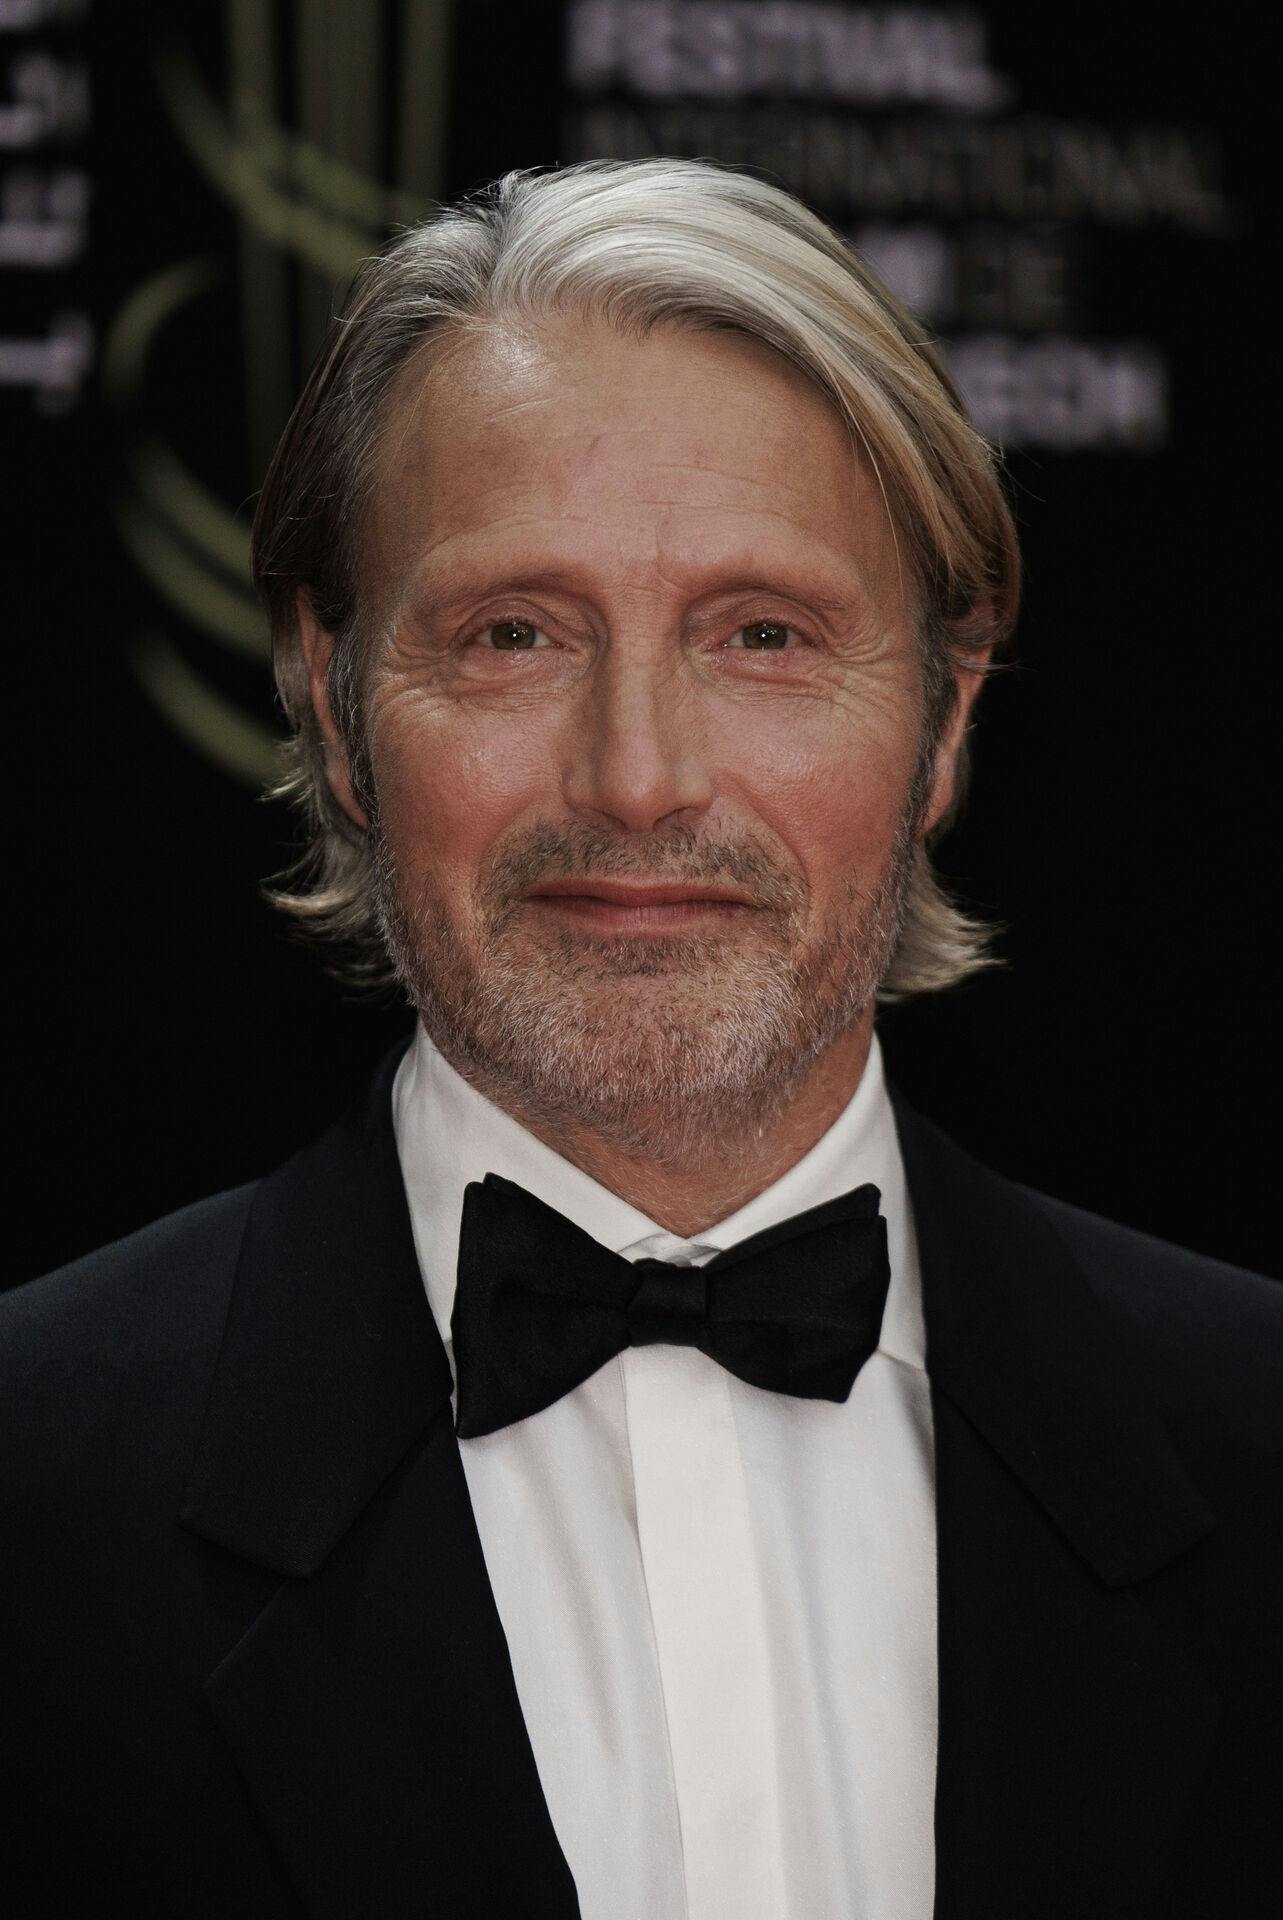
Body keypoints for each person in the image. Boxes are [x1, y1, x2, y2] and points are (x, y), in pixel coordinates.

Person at [2, 160, 1278, 1920]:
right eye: (512, 635)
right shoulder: (36, 1486)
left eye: (764, 637)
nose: (638, 776)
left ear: (948, 716)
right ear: (339, 704)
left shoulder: (1255, 1441)